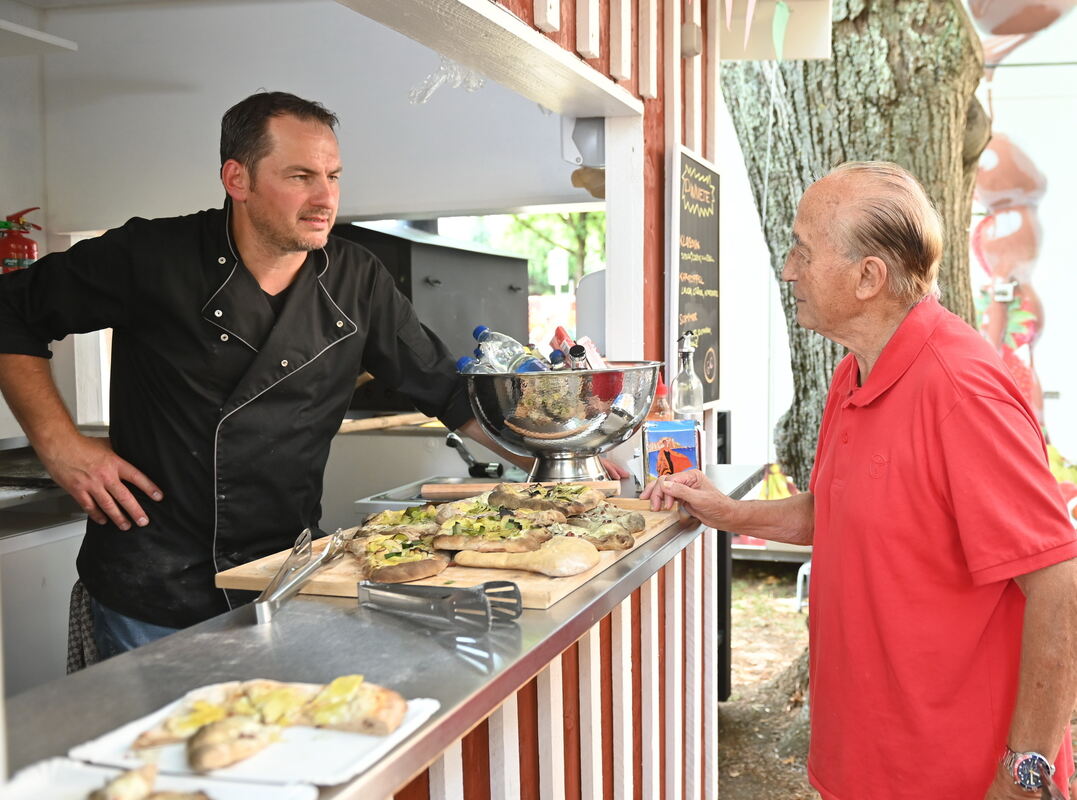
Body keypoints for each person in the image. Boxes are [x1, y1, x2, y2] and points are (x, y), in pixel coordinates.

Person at [0, 91, 554, 658]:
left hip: (283, 576)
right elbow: (10, 310)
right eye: (300, 176)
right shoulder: (152, 255)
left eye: (333, 176)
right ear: (237, 179)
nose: (325, 198)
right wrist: (60, 446)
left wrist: (567, 458)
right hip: (152, 589)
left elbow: (448, 391)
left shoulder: (356, 278)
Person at [643, 162, 1077, 799]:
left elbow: (1059, 582)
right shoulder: (856, 373)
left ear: (869, 277)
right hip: (863, 760)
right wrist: (725, 512)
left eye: (803, 251)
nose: (788, 269)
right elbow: (834, 514)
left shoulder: (961, 390)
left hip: (955, 775)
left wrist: (1026, 772)